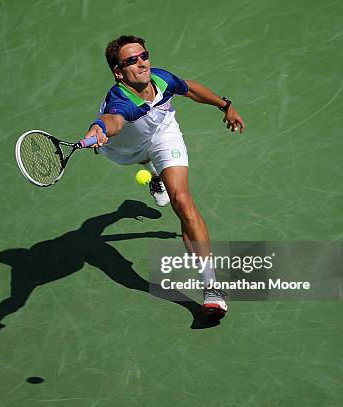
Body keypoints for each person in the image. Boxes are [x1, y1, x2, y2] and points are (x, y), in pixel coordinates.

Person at [84, 35, 245, 315]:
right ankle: (155, 171)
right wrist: (99, 127)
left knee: (181, 201)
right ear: (118, 72)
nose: (142, 63)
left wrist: (225, 105)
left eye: (144, 55)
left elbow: (190, 89)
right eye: (131, 61)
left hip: (162, 135)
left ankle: (212, 288)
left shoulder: (161, 80)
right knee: (146, 158)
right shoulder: (121, 101)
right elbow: (115, 121)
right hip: (124, 148)